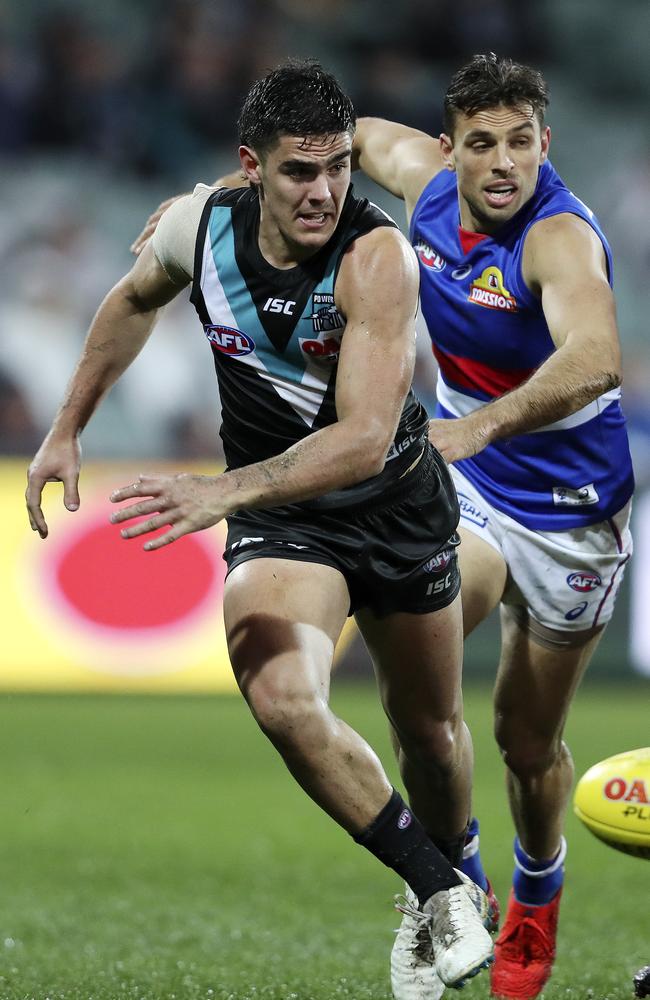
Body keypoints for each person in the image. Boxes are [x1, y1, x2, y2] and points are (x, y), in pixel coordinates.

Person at [25, 60, 494, 994]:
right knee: (282, 700)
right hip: (290, 527)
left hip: (395, 505)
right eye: (297, 172)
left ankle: (461, 869)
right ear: (250, 167)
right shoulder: (200, 228)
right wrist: (67, 426)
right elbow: (129, 303)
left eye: (335, 169)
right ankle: (437, 890)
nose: (323, 191)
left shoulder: (377, 257)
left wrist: (221, 492)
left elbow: (362, 440)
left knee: (432, 732)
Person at [349, 53, 634, 1000]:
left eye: (522, 141)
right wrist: (212, 196)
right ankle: (454, 881)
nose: (504, 161)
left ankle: (537, 889)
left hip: (568, 513)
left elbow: (596, 360)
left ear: (544, 142)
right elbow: (323, 144)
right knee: (416, 650)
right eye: (482, 143)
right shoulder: (418, 179)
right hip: (469, 495)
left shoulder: (558, 238)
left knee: (523, 739)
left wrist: (474, 424)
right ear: (451, 149)